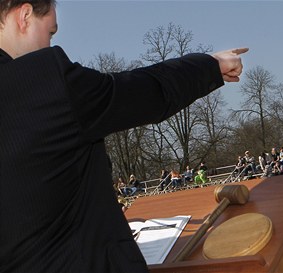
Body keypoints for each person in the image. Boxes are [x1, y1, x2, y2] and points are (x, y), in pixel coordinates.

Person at [0, 1, 248, 271]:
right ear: (24, 16)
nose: (49, 44)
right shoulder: (44, 81)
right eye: (50, 32)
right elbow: (143, 93)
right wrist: (210, 65)